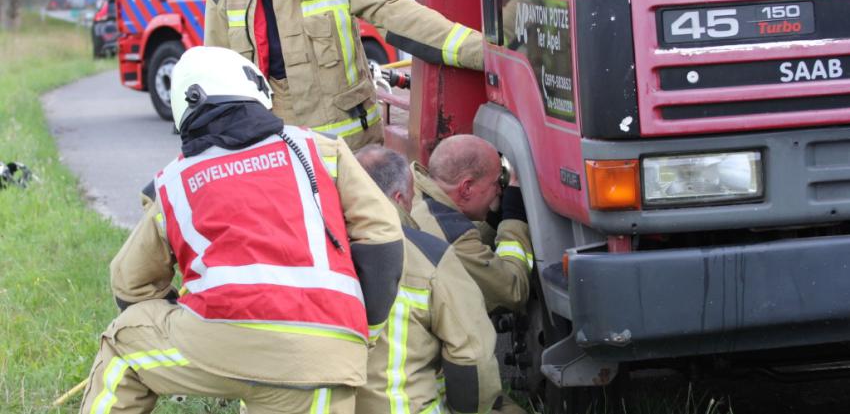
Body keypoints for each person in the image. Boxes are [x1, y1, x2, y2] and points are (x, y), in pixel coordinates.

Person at [78, 46, 403, 414]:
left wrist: (179, 315)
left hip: (217, 342)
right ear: (257, 92)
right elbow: (383, 240)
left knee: (124, 342)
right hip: (325, 358)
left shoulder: (173, 181)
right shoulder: (322, 151)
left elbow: (129, 283)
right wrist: (362, 331)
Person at [204, 0, 484, 151]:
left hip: (349, 154)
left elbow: (396, 12)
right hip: (271, 151)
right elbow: (215, 71)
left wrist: (483, 53)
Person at [354, 145, 501, 414]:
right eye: (412, 199)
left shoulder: (315, 248)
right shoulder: (429, 256)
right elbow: (472, 354)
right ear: (399, 198)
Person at [410, 135, 533, 313]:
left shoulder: (414, 191)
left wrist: (492, 219)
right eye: (497, 182)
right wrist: (514, 215)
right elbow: (512, 292)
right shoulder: (452, 236)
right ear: (467, 188)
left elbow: (469, 246)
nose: (500, 190)